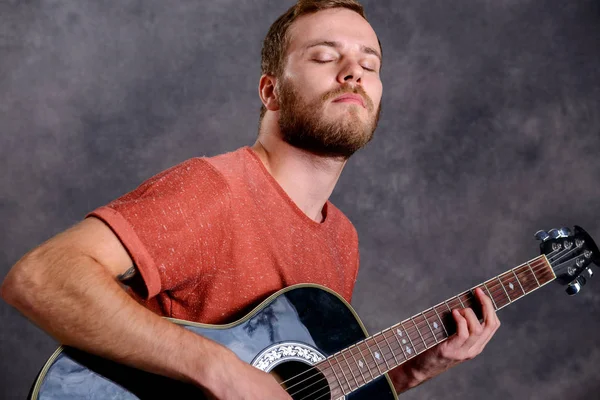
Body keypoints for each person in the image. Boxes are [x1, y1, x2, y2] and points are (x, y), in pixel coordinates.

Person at [1, 1, 500, 398]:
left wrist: (411, 373)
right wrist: (221, 370)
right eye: (325, 57)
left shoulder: (341, 238)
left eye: (369, 64)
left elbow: (298, 388)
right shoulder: (214, 189)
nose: (353, 72)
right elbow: (41, 276)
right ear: (271, 92)